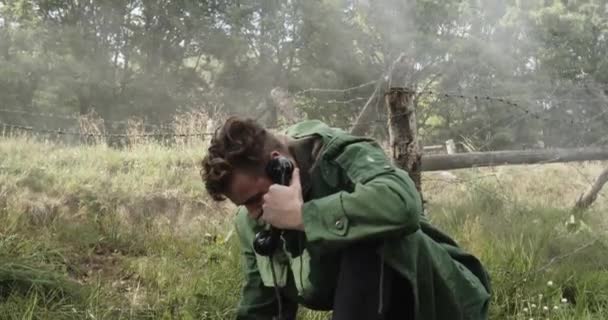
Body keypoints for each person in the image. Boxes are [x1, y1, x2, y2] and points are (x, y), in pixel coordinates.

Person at [200, 116, 491, 320]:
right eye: (243, 205)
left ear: (279, 164)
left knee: (364, 236)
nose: (254, 213)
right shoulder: (253, 220)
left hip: (439, 303)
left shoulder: (339, 156)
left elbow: (403, 202)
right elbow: (260, 306)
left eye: (254, 199)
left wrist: (304, 216)